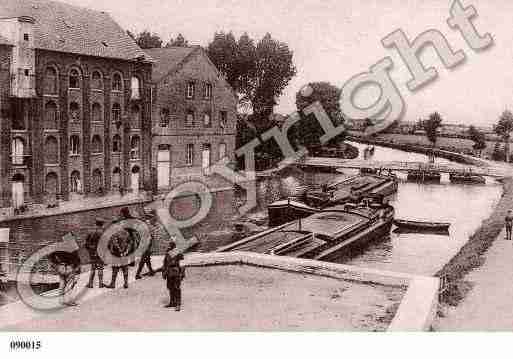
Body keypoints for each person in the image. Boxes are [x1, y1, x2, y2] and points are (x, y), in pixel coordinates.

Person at [162, 242, 185, 310]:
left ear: (174, 246)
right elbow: (165, 263)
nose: (169, 246)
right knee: (170, 287)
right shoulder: (167, 253)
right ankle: (172, 302)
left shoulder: (178, 253)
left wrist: (182, 273)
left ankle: (178, 304)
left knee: (176, 287)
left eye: (171, 246)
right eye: (169, 245)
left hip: (176, 272)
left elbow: (183, 263)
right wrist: (164, 272)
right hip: (169, 272)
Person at [135, 208, 156, 279]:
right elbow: (149, 236)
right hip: (146, 245)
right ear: (148, 217)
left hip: (145, 244)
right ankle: (137, 274)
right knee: (143, 259)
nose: (151, 218)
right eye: (150, 217)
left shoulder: (143, 225)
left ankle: (151, 271)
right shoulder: (147, 225)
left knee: (147, 259)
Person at [85, 218, 106, 288]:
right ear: (102, 224)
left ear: (96, 223)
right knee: (100, 268)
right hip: (100, 251)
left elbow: (86, 243)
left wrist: (89, 250)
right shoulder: (103, 232)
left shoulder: (90, 231)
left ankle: (90, 284)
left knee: (93, 268)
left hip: (92, 251)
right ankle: (100, 283)